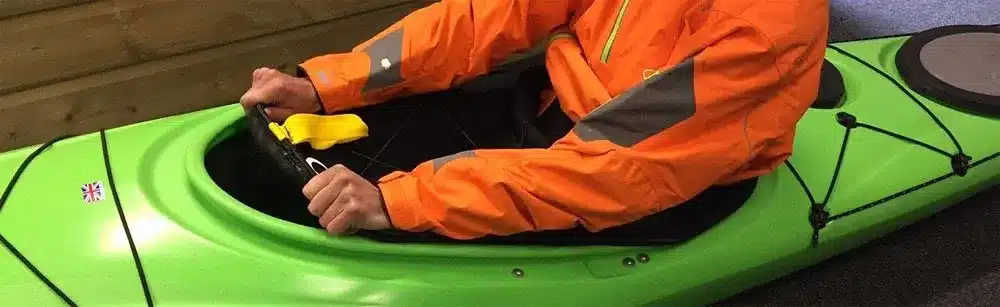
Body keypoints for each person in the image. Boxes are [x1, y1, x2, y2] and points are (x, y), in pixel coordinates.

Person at [239, 0, 830, 239]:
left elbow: (616, 171)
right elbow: (484, 18)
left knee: (382, 219)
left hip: (650, 180)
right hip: (552, 109)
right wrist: (328, 83)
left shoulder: (763, 29)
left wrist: (400, 204)